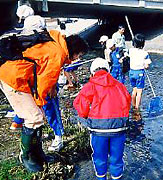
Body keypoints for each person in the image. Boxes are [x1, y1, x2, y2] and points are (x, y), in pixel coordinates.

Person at [0, 27, 88, 172]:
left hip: (19, 76)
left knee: (37, 117)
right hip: (13, 79)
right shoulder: (57, 54)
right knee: (34, 118)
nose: (78, 58)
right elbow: (43, 83)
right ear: (74, 49)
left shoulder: (56, 42)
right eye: (79, 54)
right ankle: (26, 156)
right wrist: (39, 104)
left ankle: (38, 154)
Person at [73, 58, 131, 180]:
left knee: (100, 158)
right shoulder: (119, 85)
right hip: (119, 128)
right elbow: (127, 101)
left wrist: (86, 115)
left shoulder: (90, 85)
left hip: (98, 130)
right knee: (117, 158)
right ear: (108, 70)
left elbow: (79, 104)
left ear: (92, 72)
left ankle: (101, 178)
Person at [128, 34, 152, 112]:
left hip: (131, 72)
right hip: (139, 73)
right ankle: (137, 108)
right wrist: (145, 65)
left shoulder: (131, 51)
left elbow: (127, 55)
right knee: (139, 92)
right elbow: (147, 65)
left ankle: (133, 105)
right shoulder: (144, 53)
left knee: (134, 90)